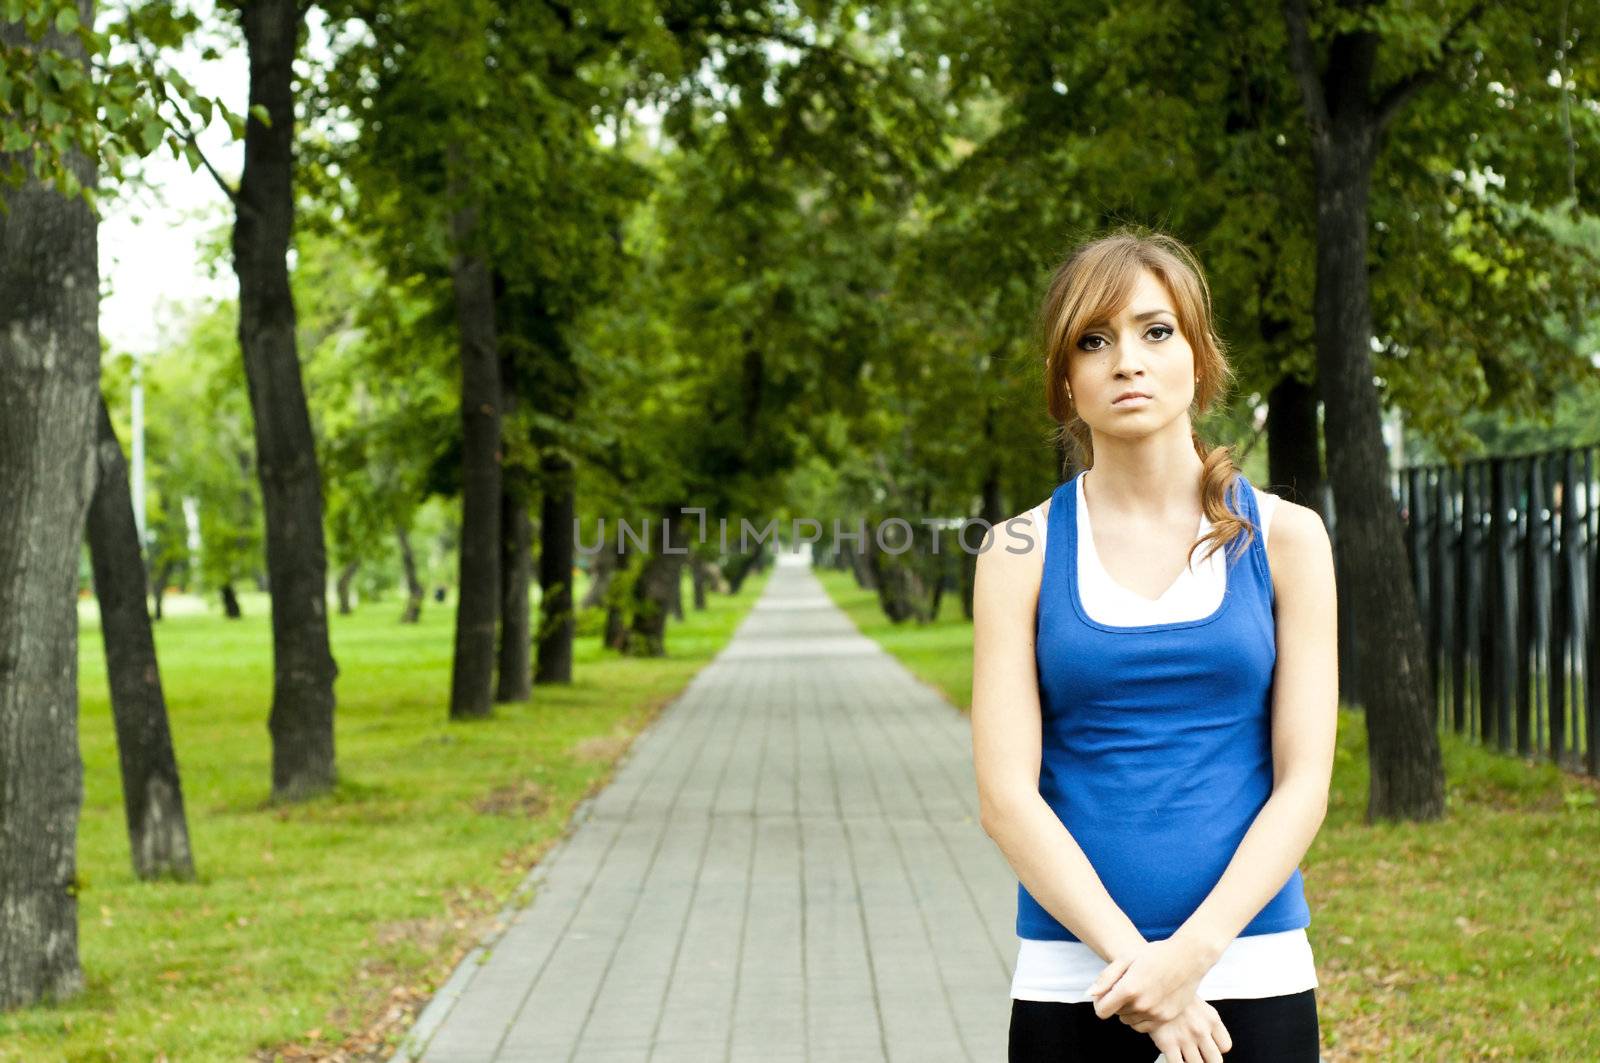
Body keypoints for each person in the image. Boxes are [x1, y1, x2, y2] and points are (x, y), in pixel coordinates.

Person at [970, 230, 1338, 1062]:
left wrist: (1189, 958)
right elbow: (1006, 798)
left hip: (1252, 969)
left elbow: (1304, 781)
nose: (1126, 360)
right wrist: (1143, 972)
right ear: (1067, 380)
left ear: (1200, 358)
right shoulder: (1015, 553)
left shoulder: (1289, 538)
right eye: (1093, 341)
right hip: (1076, 981)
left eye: (1155, 331)